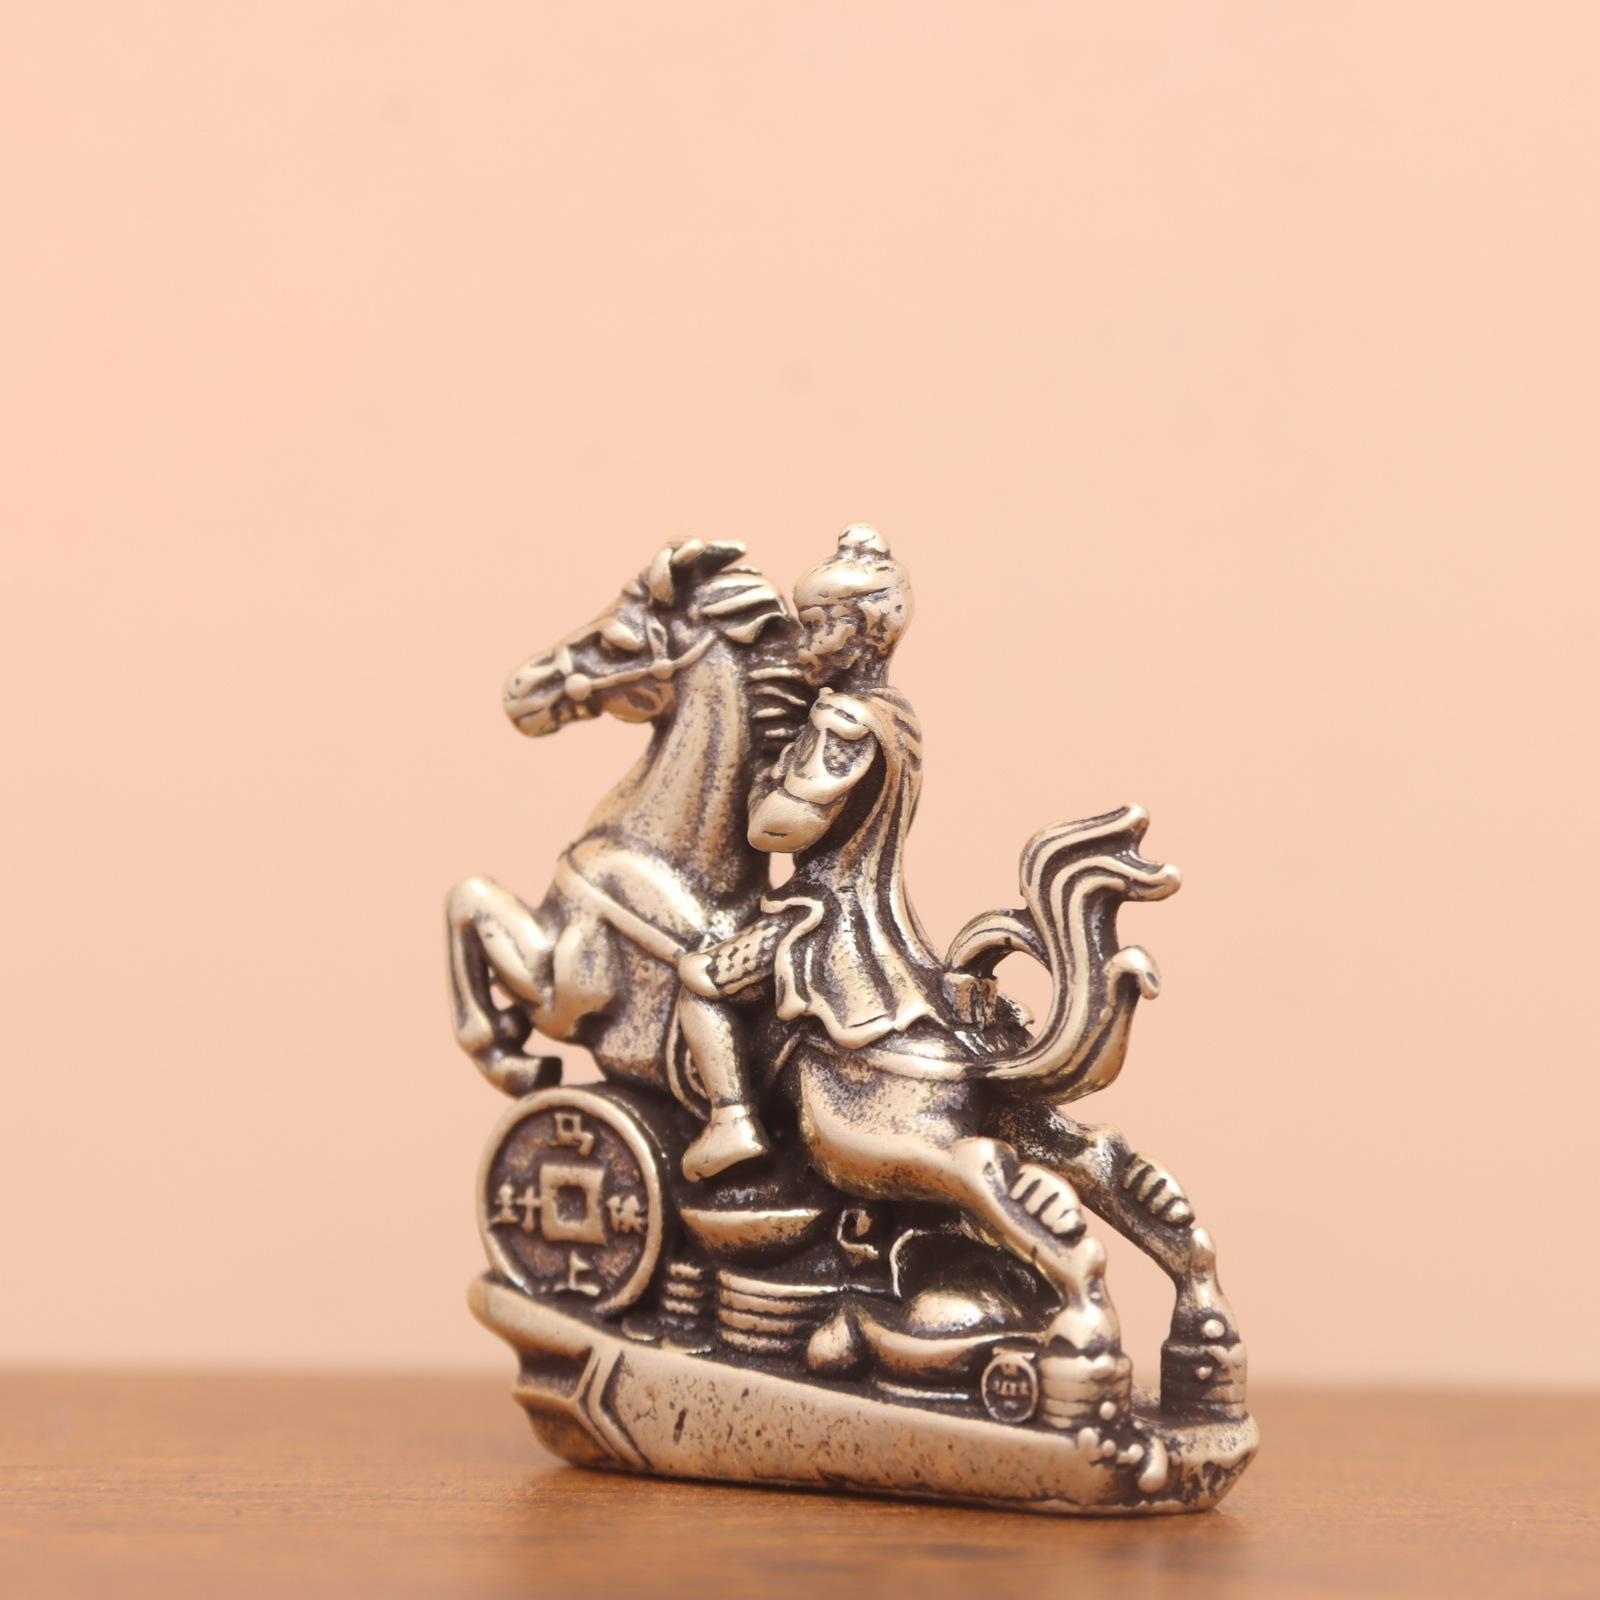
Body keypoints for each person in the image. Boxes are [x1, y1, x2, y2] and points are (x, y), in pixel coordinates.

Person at [677, 525, 955, 1181]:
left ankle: (732, 1121)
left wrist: (765, 780)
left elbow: (778, 830)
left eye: (817, 628)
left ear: (861, 633)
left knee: (701, 980)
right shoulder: (895, 712)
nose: (805, 644)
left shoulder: (842, 724)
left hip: (825, 917)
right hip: (884, 911)